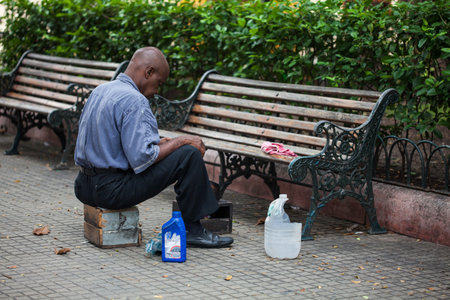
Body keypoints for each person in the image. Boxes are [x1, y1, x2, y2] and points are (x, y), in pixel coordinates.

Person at [74, 47, 233, 248]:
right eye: (159, 83)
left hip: (83, 187)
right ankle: (193, 230)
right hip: (110, 192)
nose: (157, 91)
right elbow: (142, 158)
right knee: (189, 154)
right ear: (148, 72)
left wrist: (160, 143)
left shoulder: (101, 90)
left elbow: (116, 143)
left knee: (179, 149)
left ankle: (195, 223)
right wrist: (180, 141)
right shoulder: (135, 100)